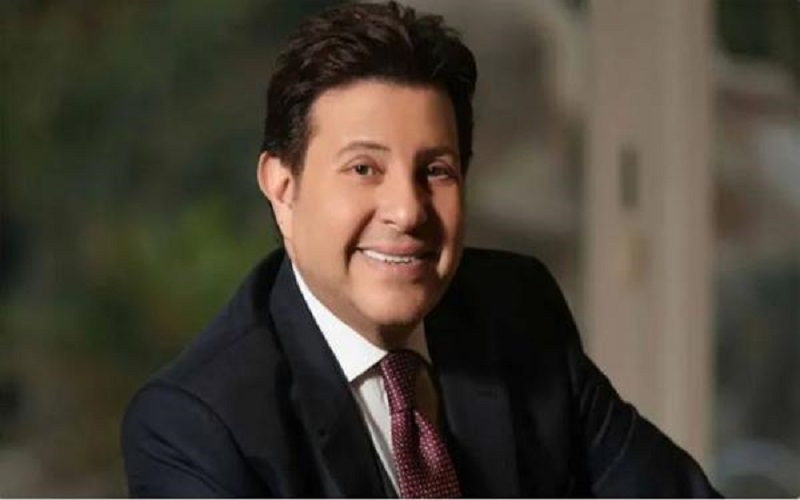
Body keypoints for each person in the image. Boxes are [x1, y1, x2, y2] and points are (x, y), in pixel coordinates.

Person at [121, 1, 720, 497]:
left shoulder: (518, 310)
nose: (407, 211)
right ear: (283, 188)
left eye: (436, 171)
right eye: (363, 168)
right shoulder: (197, 427)